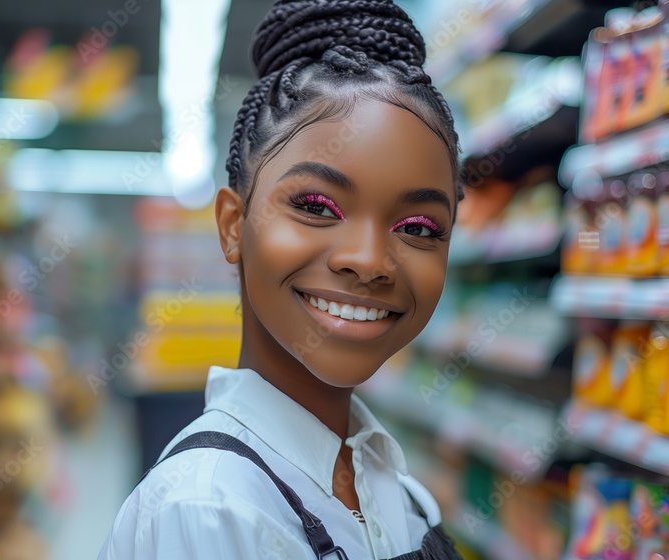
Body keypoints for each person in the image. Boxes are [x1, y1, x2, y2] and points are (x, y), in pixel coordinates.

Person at [98, 0, 464, 558]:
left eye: (417, 226)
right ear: (231, 226)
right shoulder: (207, 512)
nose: (369, 260)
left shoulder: (395, 489)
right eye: (317, 206)